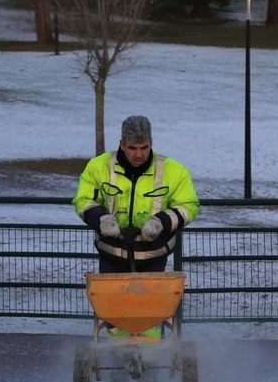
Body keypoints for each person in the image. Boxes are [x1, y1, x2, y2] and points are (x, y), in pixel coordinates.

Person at [73, 115, 200, 274]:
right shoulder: (98, 166)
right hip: (110, 257)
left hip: (154, 259)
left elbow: (189, 206)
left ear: (151, 143)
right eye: (133, 148)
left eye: (144, 147)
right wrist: (102, 219)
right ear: (122, 144)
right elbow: (83, 200)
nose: (139, 154)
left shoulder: (175, 171)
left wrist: (162, 222)